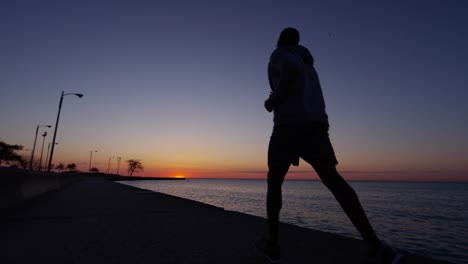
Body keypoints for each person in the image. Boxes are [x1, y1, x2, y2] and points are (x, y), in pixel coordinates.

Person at [254, 28, 403, 264]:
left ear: (281, 41)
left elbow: (289, 73)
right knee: (333, 180)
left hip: (289, 127)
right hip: (317, 126)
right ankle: (375, 245)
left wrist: (273, 101)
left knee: (274, 182)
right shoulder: (307, 63)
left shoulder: (280, 54)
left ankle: (272, 244)